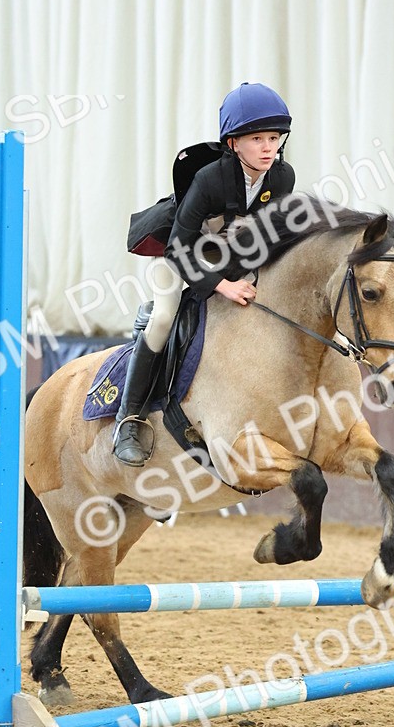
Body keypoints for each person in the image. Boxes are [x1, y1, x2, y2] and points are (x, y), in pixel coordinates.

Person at [113, 81, 296, 466]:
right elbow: (178, 248)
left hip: (230, 258)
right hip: (179, 255)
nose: (268, 148)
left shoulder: (282, 178)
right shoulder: (209, 179)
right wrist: (223, 286)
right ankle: (129, 420)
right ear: (233, 143)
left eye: (274, 138)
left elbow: (270, 238)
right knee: (164, 318)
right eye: (257, 139)